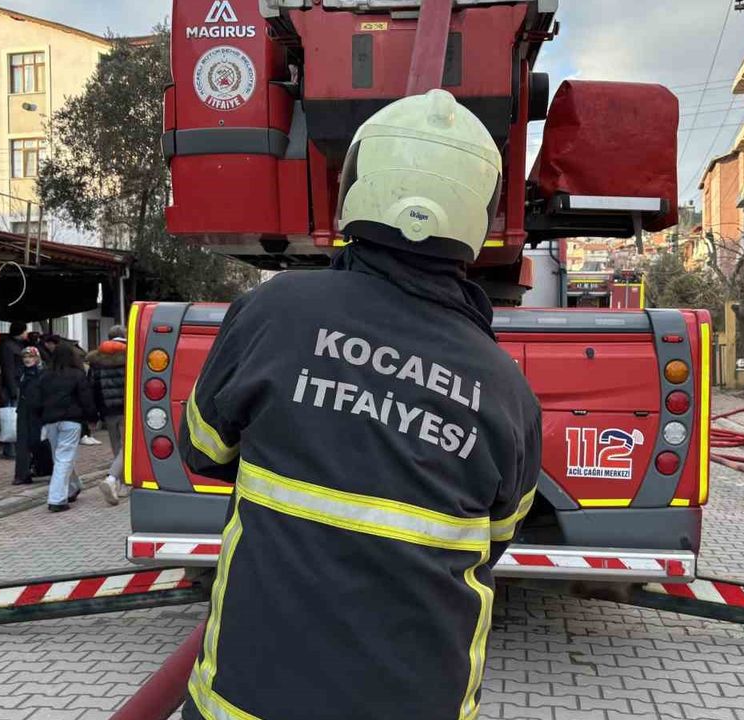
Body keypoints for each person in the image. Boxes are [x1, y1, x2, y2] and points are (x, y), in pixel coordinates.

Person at [178, 89, 542, 720]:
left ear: (355, 184)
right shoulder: (507, 391)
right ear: (477, 215)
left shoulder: (276, 311)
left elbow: (203, 448)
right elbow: (494, 538)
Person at [26, 343, 96, 512]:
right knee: (64, 458)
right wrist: (92, 417)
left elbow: (36, 400)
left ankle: (73, 487)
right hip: (71, 420)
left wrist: (40, 417)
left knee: (60, 457)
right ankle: (57, 499)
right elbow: (86, 398)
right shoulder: (77, 374)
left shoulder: (44, 375)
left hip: (50, 421)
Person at [87, 325, 128, 505]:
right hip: (127, 409)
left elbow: (93, 387)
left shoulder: (97, 359)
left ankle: (119, 482)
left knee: (116, 445)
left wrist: (96, 413)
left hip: (108, 410)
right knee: (127, 447)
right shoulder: (131, 353)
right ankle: (117, 481)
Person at [12, 346, 48, 485]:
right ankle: (22, 474)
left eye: (31, 357)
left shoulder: (43, 372)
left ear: (37, 357)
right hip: (24, 410)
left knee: (38, 441)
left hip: (39, 411)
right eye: (25, 357)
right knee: (22, 443)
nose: (27, 359)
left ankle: (42, 467)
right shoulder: (21, 373)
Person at [0, 322, 30, 458]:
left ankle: (16, 447)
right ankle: (9, 449)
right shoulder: (8, 346)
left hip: (19, 384)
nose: (27, 333)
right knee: (10, 418)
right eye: (25, 331)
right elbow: (8, 369)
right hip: (13, 386)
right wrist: (12, 389)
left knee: (17, 418)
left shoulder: (19, 345)